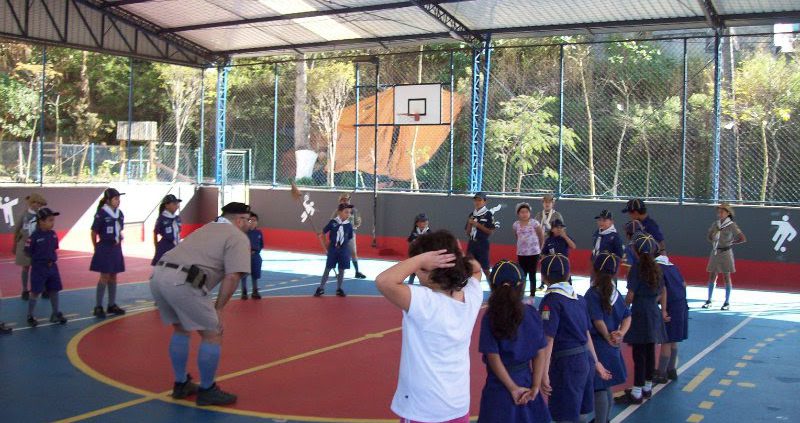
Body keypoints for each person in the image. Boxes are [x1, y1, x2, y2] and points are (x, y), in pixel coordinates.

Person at [149, 202, 252, 406]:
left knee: (180, 329)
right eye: (247, 220)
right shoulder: (237, 237)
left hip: (159, 275)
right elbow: (232, 277)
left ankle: (181, 384)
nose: (249, 224)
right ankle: (207, 389)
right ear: (239, 220)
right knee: (212, 333)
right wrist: (219, 309)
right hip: (184, 281)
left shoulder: (207, 227)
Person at [375, 230, 483, 423]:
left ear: (428, 268)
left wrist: (420, 259)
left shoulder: (424, 301)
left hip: (423, 409)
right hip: (457, 406)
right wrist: (456, 255)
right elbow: (476, 270)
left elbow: (384, 281)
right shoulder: (472, 295)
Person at [539, 253, 611, 423]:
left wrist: (543, 372)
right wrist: (596, 362)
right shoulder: (579, 299)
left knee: (564, 413)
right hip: (584, 361)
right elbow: (587, 335)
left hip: (565, 365)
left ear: (544, 276)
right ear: (568, 275)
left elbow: (548, 340)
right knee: (580, 411)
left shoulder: (551, 301)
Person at [477, 260, 550, 423]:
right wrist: (535, 386)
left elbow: (493, 357)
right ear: (521, 285)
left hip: (499, 387)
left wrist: (512, 388)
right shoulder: (532, 313)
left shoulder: (491, 316)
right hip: (527, 384)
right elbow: (540, 353)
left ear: (493, 286)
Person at [622, 232, 669, 404]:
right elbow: (660, 291)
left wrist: (623, 308)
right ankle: (648, 387)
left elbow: (630, 295)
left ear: (636, 250)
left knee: (638, 353)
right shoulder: (657, 268)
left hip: (640, 312)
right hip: (653, 312)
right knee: (650, 351)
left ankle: (636, 391)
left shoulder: (636, 268)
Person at [584, 252, 630, 423]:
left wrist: (607, 336)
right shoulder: (615, 293)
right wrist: (620, 334)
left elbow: (597, 320)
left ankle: (600, 420)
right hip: (613, 346)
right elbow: (627, 316)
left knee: (599, 387)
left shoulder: (593, 294)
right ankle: (605, 418)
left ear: (595, 269)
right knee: (608, 385)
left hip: (600, 346)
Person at [24, 207, 67, 327]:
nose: (52, 223)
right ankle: (30, 315)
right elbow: (27, 251)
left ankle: (55, 313)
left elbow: (54, 248)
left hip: (52, 267)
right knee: (35, 291)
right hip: (39, 268)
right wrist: (38, 259)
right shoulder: (34, 237)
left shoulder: (53, 234)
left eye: (53, 220)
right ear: (41, 221)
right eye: (50, 220)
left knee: (54, 289)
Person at [90, 188, 126, 318]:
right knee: (104, 277)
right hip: (105, 247)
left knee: (114, 276)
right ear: (108, 200)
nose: (118, 201)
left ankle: (111, 304)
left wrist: (119, 237)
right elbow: (94, 232)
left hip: (116, 248)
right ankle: (98, 306)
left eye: (119, 198)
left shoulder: (120, 214)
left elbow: (119, 229)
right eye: (116, 199)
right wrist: (96, 248)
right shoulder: (102, 214)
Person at [703, 203, 746, 311]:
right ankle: (709, 300)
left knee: (726, 276)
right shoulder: (715, 224)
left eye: (722, 211)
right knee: (712, 275)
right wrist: (714, 239)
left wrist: (732, 243)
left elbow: (742, 238)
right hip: (715, 251)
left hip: (726, 252)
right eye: (719, 212)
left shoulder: (731, 225)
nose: (720, 213)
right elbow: (709, 236)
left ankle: (727, 302)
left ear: (728, 213)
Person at [655, 254, 688, 383]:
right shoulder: (674, 267)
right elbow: (684, 284)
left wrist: (662, 309)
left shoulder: (658, 269)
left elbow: (662, 290)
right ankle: (671, 369)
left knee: (666, 340)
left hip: (671, 306)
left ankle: (661, 373)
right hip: (681, 305)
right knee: (673, 340)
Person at [314, 204, 354, 297]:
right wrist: (325, 245)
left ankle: (339, 288)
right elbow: (323, 232)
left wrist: (350, 252)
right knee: (327, 268)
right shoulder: (333, 222)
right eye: (346, 212)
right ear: (339, 212)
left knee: (342, 270)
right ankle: (321, 288)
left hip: (344, 250)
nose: (348, 214)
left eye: (349, 212)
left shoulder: (349, 225)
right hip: (333, 249)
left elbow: (350, 238)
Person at [13, 193, 47, 300]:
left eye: (40, 204)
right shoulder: (23, 215)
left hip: (38, 245)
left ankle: (42, 289)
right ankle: (24, 290)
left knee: (40, 268)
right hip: (24, 244)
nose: (38, 206)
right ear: (31, 203)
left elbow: (45, 229)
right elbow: (17, 230)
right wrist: (14, 244)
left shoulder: (41, 215)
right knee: (26, 267)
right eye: (36, 203)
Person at [513, 203, 544, 297]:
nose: (524, 214)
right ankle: (520, 294)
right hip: (521, 253)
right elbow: (517, 236)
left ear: (529, 213)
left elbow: (541, 235)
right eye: (522, 212)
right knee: (522, 274)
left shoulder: (535, 223)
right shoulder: (515, 225)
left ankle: (532, 294)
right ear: (518, 214)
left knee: (532, 274)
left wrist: (540, 248)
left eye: (526, 212)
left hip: (533, 253)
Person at [333, 193, 366, 279]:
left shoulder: (353, 210)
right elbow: (332, 221)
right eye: (344, 199)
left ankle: (357, 271)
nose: (346, 201)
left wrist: (355, 224)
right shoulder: (338, 211)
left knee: (353, 253)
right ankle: (340, 272)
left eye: (347, 199)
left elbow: (357, 221)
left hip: (350, 234)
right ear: (341, 201)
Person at [466, 192, 497, 281]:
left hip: (482, 243)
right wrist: (470, 224)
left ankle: (493, 289)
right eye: (475, 200)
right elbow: (468, 232)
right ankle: (471, 289)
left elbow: (490, 231)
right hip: (472, 243)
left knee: (486, 269)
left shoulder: (488, 214)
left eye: (480, 200)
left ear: (485, 202)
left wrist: (477, 225)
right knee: (469, 268)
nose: (477, 202)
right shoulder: (472, 214)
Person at [152, 194, 182, 266]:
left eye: (177, 204)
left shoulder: (177, 218)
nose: (177, 206)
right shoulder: (162, 219)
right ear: (166, 205)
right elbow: (155, 233)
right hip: (165, 248)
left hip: (176, 247)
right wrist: (157, 247)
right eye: (174, 204)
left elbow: (178, 233)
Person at [240, 212, 264, 300]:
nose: (253, 222)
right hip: (245, 256)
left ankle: (255, 291)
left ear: (257, 222)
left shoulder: (259, 233)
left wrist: (256, 252)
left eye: (255, 220)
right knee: (244, 275)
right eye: (250, 220)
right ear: (247, 221)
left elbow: (261, 245)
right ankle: (244, 292)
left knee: (255, 275)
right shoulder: (244, 232)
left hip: (256, 256)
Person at [406, 213, 431, 285]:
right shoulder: (414, 233)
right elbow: (410, 242)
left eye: (426, 221)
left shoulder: (429, 233)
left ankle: (425, 286)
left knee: (425, 273)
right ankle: (410, 285)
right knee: (413, 271)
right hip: (415, 256)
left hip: (425, 257)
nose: (425, 222)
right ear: (417, 223)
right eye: (422, 221)